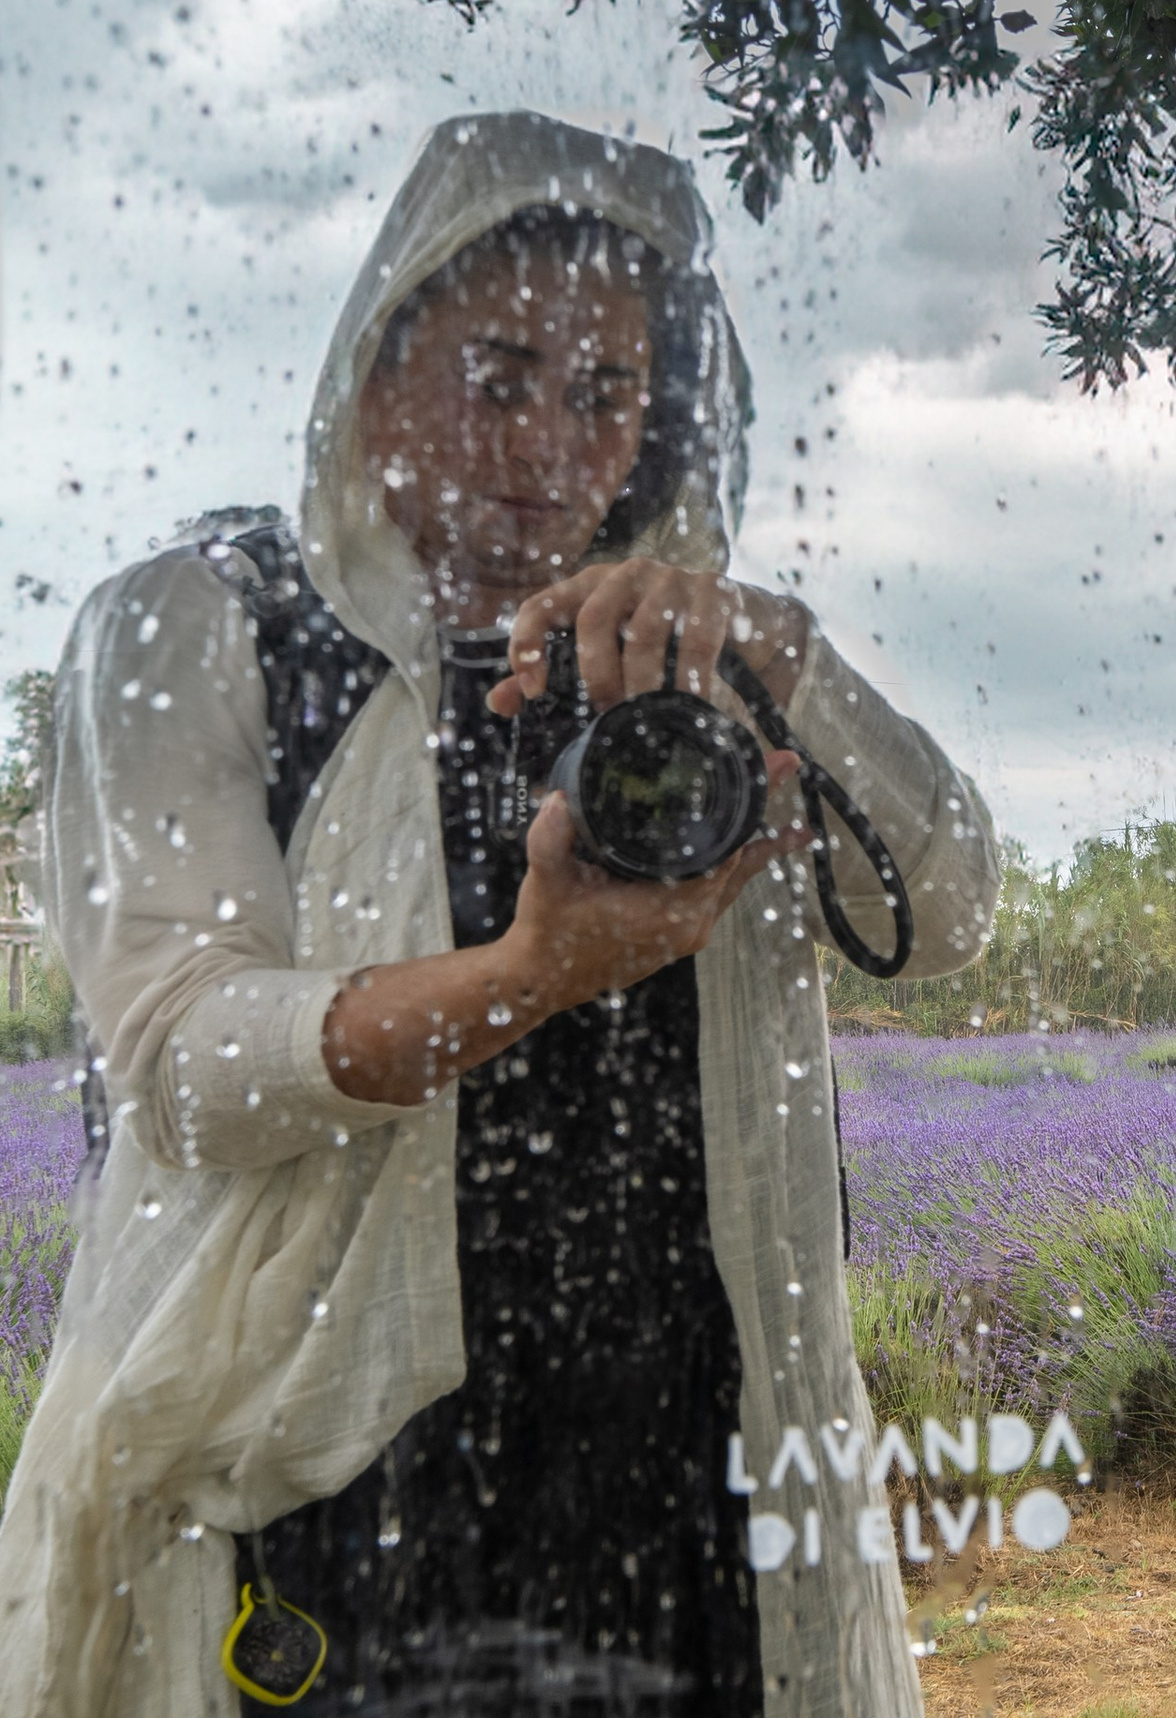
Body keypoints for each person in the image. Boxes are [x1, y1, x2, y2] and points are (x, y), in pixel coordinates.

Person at [0, 111, 1000, 1717]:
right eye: (500, 375)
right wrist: (534, 971)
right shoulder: (204, 624)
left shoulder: (704, 660)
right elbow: (185, 1063)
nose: (551, 446)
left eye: (605, 393)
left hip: (693, 1485)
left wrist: (786, 654)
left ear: (660, 419)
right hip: (335, 1498)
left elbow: (948, 907)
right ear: (376, 375)